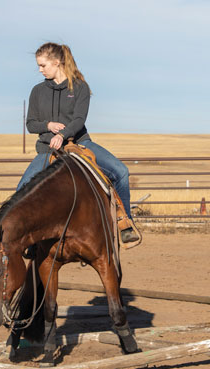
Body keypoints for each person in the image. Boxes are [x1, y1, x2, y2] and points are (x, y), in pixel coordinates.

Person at [18, 42, 139, 244]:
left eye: (43, 65)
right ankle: (23, 239)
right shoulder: (37, 91)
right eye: (38, 66)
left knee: (121, 171)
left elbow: (79, 120)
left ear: (57, 63)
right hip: (48, 149)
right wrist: (48, 125)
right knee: (22, 188)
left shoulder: (80, 87)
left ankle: (124, 223)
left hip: (80, 143)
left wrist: (63, 134)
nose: (39, 70)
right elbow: (31, 124)